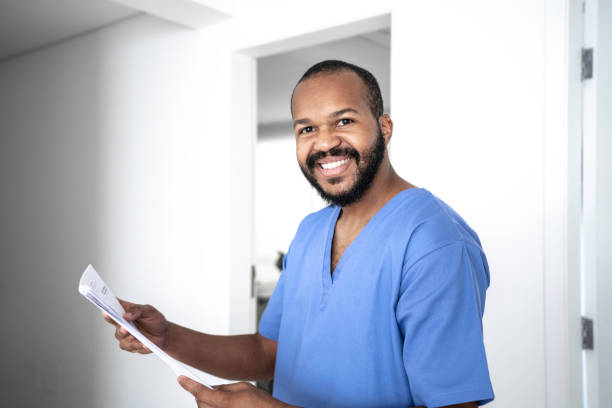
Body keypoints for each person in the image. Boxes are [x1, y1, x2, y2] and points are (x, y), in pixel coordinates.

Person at [103, 60, 495, 408]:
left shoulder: (435, 242)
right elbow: (268, 351)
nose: (324, 143)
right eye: (307, 128)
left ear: (385, 127)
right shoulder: (311, 231)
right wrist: (167, 337)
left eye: (344, 121)